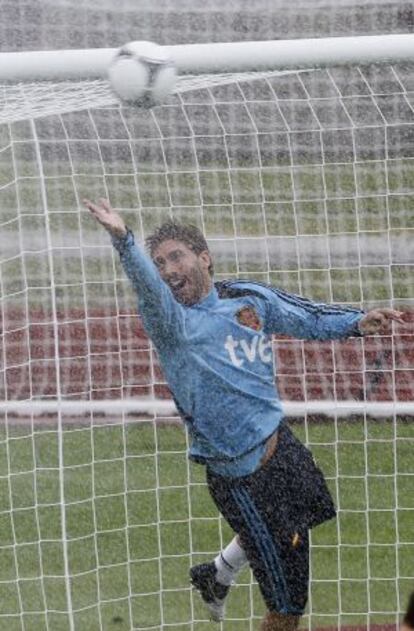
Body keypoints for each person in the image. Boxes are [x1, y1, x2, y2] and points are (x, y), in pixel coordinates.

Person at [83, 198, 405, 631]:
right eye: (160, 263)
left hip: (280, 443)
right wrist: (124, 240)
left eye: (175, 256)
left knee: (313, 508)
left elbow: (302, 315)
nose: (167, 269)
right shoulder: (171, 322)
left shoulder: (247, 299)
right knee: (287, 610)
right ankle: (222, 574)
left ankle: (217, 572)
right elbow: (146, 286)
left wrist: (355, 321)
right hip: (244, 480)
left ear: (205, 257)